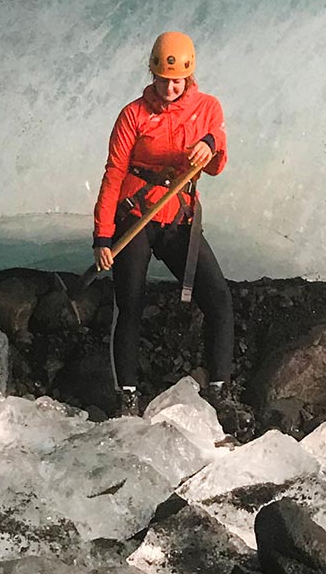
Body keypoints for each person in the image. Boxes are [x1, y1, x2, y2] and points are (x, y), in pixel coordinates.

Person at [93, 30, 235, 416]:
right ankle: (127, 397)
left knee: (218, 297)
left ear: (189, 76)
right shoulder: (133, 115)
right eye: (163, 79)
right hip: (135, 217)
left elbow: (219, 161)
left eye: (177, 80)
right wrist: (102, 235)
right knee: (130, 304)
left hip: (179, 218)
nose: (170, 87)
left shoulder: (208, 108)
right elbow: (113, 174)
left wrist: (211, 145)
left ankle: (219, 388)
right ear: (152, 73)